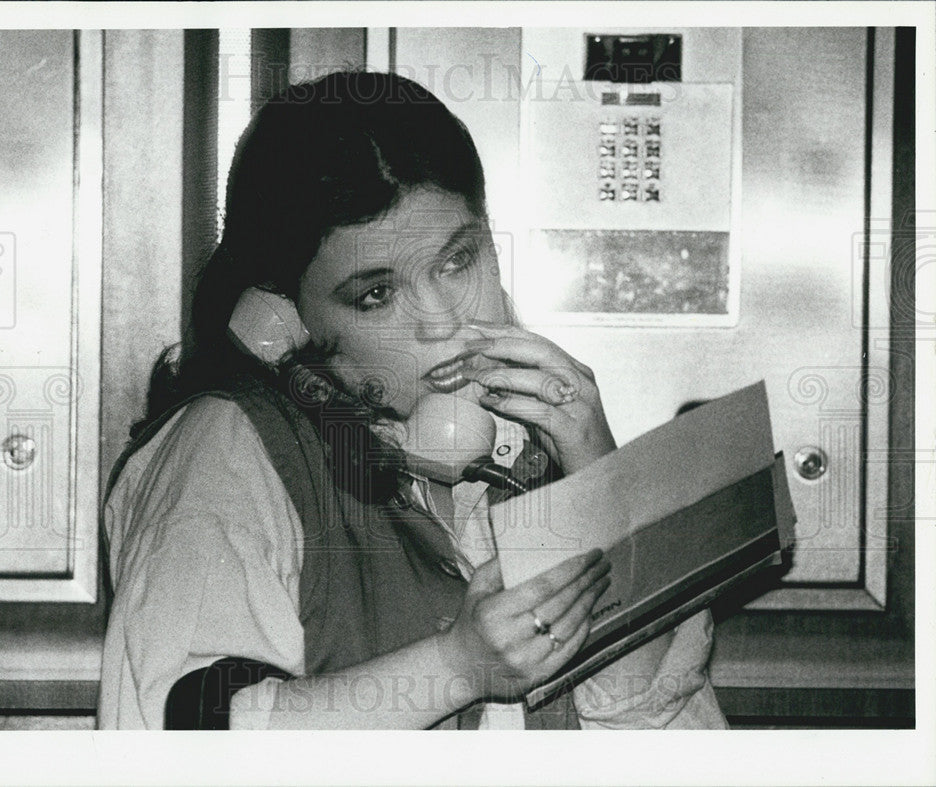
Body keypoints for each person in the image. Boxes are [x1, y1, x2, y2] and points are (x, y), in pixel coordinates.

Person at [96, 70, 726, 730]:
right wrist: (455, 667)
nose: (441, 321)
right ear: (280, 318)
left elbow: (666, 733)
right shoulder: (224, 449)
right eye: (376, 294)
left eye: (457, 261)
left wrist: (604, 487)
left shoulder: (528, 446)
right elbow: (184, 737)